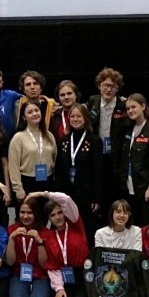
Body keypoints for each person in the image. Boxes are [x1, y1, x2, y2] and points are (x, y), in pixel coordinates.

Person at [54, 104, 103, 243]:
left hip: (87, 193)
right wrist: (58, 195)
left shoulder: (94, 141)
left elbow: (99, 171)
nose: (75, 119)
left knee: (87, 228)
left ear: (85, 118)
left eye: (79, 116)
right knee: (69, 228)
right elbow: (59, 170)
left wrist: (97, 197)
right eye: (72, 117)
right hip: (67, 192)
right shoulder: (64, 141)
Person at [118, 94, 149, 226]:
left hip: (146, 189)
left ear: (143, 106)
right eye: (128, 108)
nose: (130, 111)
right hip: (130, 187)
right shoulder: (129, 130)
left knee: (146, 225)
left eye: (134, 107)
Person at [86, 67, 129, 211]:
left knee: (116, 196)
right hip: (98, 156)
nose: (108, 89)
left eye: (113, 86)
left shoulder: (124, 106)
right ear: (100, 86)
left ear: (117, 88)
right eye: (105, 85)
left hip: (117, 158)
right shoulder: (92, 102)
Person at [8, 101, 58, 205]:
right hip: (28, 183)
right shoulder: (18, 137)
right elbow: (13, 166)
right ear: (24, 117)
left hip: (47, 182)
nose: (34, 114)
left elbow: (55, 158)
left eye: (36, 110)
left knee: (45, 214)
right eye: (30, 112)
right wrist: (18, 189)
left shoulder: (49, 135)